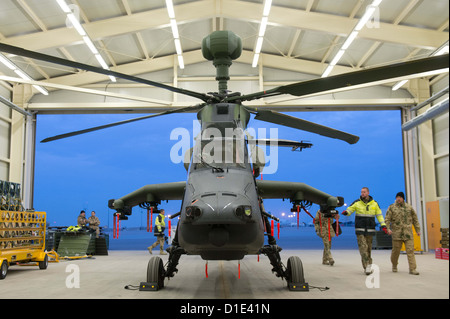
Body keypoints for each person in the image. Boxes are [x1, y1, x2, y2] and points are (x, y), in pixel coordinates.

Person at [342, 187, 387, 275]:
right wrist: (346, 212)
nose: (362, 193)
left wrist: (383, 225)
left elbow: (379, 215)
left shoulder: (374, 204)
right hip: (360, 230)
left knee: (368, 250)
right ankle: (367, 267)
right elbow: (350, 209)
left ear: (368, 193)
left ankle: (369, 266)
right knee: (363, 249)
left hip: (370, 230)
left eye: (364, 192)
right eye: (361, 192)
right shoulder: (357, 202)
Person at [385, 192, 421, 275]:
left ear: (403, 198)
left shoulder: (409, 207)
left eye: (400, 197)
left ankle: (412, 269)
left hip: (408, 233)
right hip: (397, 234)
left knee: (410, 251)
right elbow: (387, 219)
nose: (398, 199)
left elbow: (415, 219)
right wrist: (388, 229)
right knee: (395, 251)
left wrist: (417, 230)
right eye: (397, 197)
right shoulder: (392, 207)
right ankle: (394, 265)